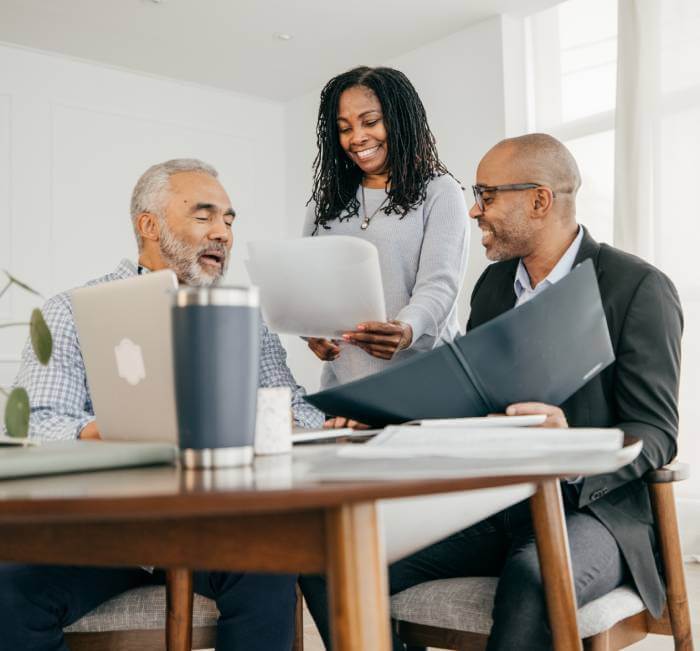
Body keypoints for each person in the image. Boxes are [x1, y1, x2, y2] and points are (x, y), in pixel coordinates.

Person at [300, 134, 683, 650]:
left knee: (532, 578)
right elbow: (473, 399)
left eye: (487, 195)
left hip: (594, 512)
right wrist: (384, 417)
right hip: (496, 506)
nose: (474, 210)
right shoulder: (494, 286)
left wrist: (571, 445)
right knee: (329, 559)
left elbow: (656, 433)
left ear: (539, 200)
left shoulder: (637, 288)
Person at [0, 158, 324, 650]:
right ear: (148, 225)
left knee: (270, 564)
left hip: (215, 524)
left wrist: (292, 422)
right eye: (204, 215)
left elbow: (296, 411)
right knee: (8, 592)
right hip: (104, 531)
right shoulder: (71, 310)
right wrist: (120, 430)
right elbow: (38, 427)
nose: (223, 233)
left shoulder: (245, 320)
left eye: (229, 220)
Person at [303, 66, 469, 414]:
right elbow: (308, 285)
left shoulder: (440, 192)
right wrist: (311, 331)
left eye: (370, 122)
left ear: (400, 119)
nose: (356, 138)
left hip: (427, 388)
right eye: (344, 128)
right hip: (347, 394)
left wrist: (407, 329)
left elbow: (439, 284)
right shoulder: (326, 203)